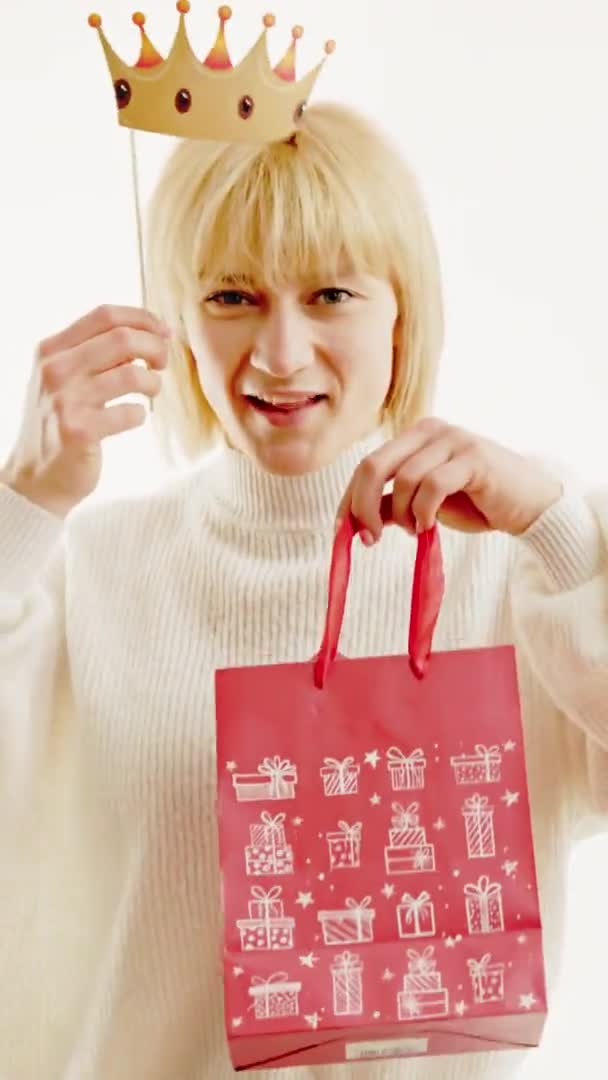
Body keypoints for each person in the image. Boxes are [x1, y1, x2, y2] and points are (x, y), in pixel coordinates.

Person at [0, 100, 607, 1080]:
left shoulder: (511, 570)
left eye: (328, 295)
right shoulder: (95, 573)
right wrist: (21, 509)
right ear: (178, 319)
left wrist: (555, 527)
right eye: (232, 297)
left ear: (403, 310)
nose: (279, 355)